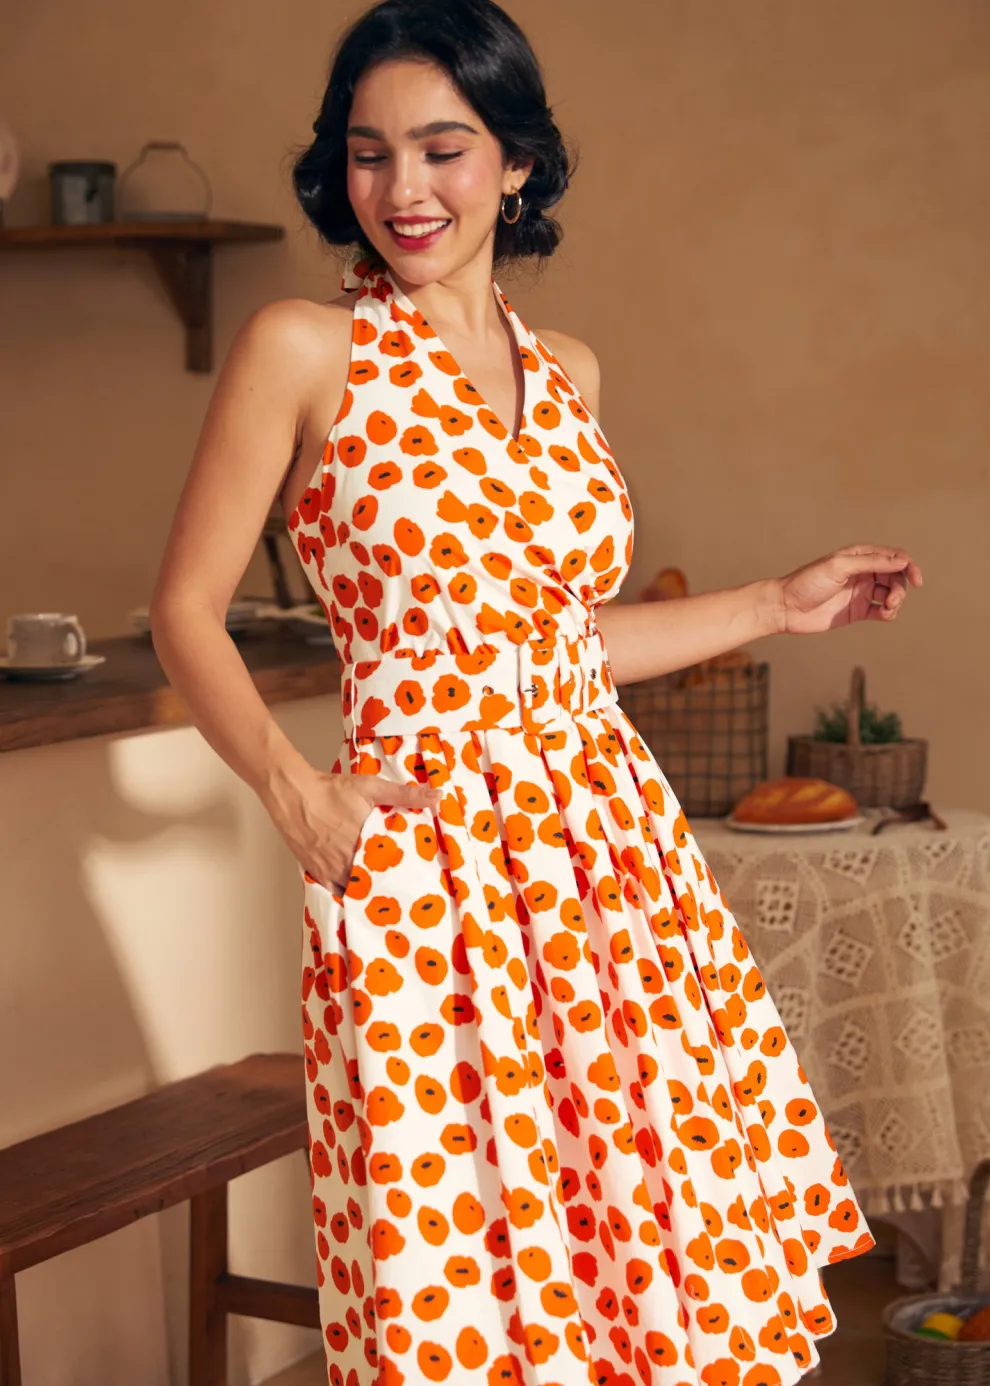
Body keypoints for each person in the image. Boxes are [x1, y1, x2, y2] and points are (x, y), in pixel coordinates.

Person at [150, 0, 923, 1381]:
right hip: (429, 856)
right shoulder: (303, 349)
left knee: (642, 1253)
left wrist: (775, 602)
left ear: (515, 163)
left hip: (605, 849)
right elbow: (183, 613)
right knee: (470, 1277)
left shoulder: (568, 372)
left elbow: (560, 642)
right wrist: (296, 795)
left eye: (442, 149)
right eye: (369, 153)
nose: (403, 188)